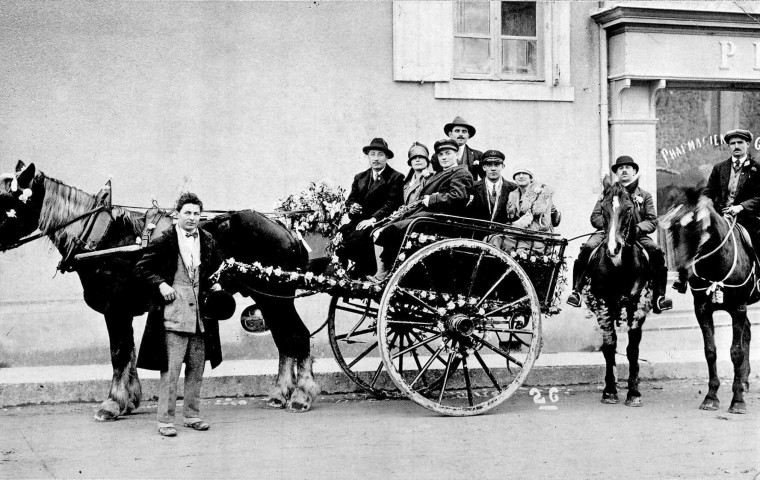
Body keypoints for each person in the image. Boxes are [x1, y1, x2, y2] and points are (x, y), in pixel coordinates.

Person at [134, 192, 226, 437]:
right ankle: (165, 420)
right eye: (187, 213)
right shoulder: (165, 240)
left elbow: (218, 267)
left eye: (196, 214)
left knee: (197, 369)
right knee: (171, 371)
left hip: (201, 316)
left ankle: (192, 415)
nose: (192, 218)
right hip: (174, 315)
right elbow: (142, 267)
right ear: (177, 215)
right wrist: (161, 284)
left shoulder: (206, 239)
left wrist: (216, 284)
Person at [566, 156, 673, 313]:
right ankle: (577, 290)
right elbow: (595, 217)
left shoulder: (644, 195)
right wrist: (611, 227)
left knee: (656, 251)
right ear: (616, 173)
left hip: (636, 234)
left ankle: (659, 296)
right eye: (620, 168)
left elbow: (652, 221)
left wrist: (636, 228)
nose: (624, 170)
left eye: (628, 167)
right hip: (607, 233)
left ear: (634, 171)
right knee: (587, 248)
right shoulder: (607, 193)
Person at [370, 138, 474, 282]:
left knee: (395, 229)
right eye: (441, 154)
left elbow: (458, 197)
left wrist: (432, 199)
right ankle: (384, 272)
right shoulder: (438, 174)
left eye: (448, 153)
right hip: (428, 215)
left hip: (442, 219)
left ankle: (387, 273)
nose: (444, 157)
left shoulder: (461, 173)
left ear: (456, 155)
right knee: (383, 229)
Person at [672, 128, 760, 293]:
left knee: (758, 238)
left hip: (747, 218)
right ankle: (684, 275)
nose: (736, 146)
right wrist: (704, 201)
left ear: (747, 144)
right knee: (690, 232)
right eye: (733, 143)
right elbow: (708, 191)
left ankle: (758, 278)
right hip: (720, 215)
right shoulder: (720, 168)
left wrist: (741, 207)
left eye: (740, 143)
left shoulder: (757, 168)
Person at [337, 138, 404, 276]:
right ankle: (348, 272)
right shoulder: (360, 177)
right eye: (372, 154)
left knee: (360, 238)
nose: (376, 158)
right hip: (359, 221)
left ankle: (367, 271)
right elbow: (351, 199)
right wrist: (352, 206)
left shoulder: (395, 177)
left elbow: (392, 204)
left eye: (380, 154)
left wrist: (373, 219)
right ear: (367, 156)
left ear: (386, 157)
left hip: (381, 221)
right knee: (339, 238)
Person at [466, 150, 517, 223]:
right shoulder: (473, 187)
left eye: (497, 165)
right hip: (478, 232)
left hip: (503, 233)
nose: (493, 169)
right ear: (483, 167)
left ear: (502, 167)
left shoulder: (513, 188)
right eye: (489, 165)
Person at [431, 116, 483, 180]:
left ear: (468, 135)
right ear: (450, 134)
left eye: (464, 131)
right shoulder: (437, 156)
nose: (460, 134)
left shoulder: (477, 155)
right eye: (457, 131)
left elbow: (484, 179)